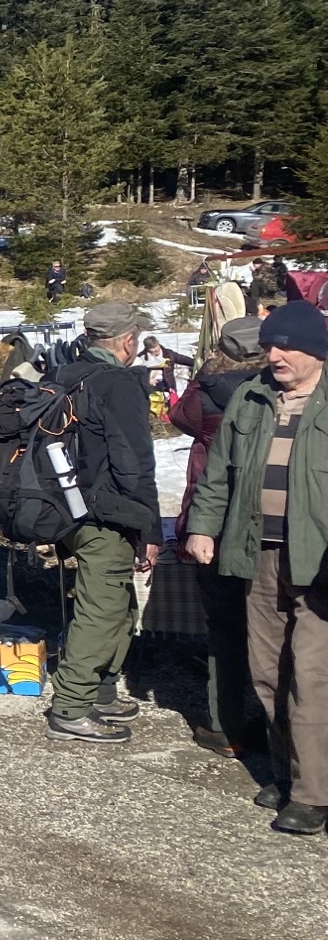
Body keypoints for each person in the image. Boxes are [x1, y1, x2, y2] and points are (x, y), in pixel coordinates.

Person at [185, 300, 328, 835]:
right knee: (269, 672)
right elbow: (218, 472)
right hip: (260, 553)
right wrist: (203, 527)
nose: (273, 354)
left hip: (320, 559)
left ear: (315, 349)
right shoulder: (250, 395)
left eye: (285, 345)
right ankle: (293, 774)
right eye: (269, 345)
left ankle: (315, 793)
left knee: (313, 677)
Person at [41, 302, 163, 743]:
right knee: (102, 608)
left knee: (115, 602)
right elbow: (134, 463)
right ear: (127, 341)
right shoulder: (119, 384)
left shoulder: (61, 375)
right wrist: (149, 527)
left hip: (62, 508)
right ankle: (72, 707)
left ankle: (101, 689)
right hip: (103, 514)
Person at [170, 318, 268, 760]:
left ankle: (223, 726)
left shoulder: (208, 388)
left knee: (224, 629)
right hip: (265, 521)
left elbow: (177, 416)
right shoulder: (278, 392)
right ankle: (280, 730)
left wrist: (204, 371)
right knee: (280, 630)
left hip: (211, 518)